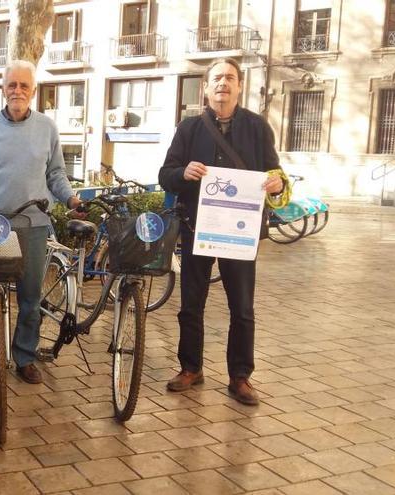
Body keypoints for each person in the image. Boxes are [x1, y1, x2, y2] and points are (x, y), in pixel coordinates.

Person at [158, 58, 285, 406]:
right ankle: (191, 368)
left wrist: (275, 184)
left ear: (239, 85)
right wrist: (183, 172)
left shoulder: (258, 128)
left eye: (229, 78)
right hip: (197, 228)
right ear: (206, 87)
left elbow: (278, 176)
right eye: (216, 78)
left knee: (242, 307)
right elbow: (165, 175)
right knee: (190, 305)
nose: (222, 84)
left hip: (241, 235)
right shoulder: (189, 129)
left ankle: (240, 377)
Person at [0, 60, 81, 386]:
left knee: (30, 299)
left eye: (24, 86)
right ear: (3, 89)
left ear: (34, 90)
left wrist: (70, 198)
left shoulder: (47, 128)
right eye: (12, 85)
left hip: (35, 224)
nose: (17, 91)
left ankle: (24, 357)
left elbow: (55, 173)